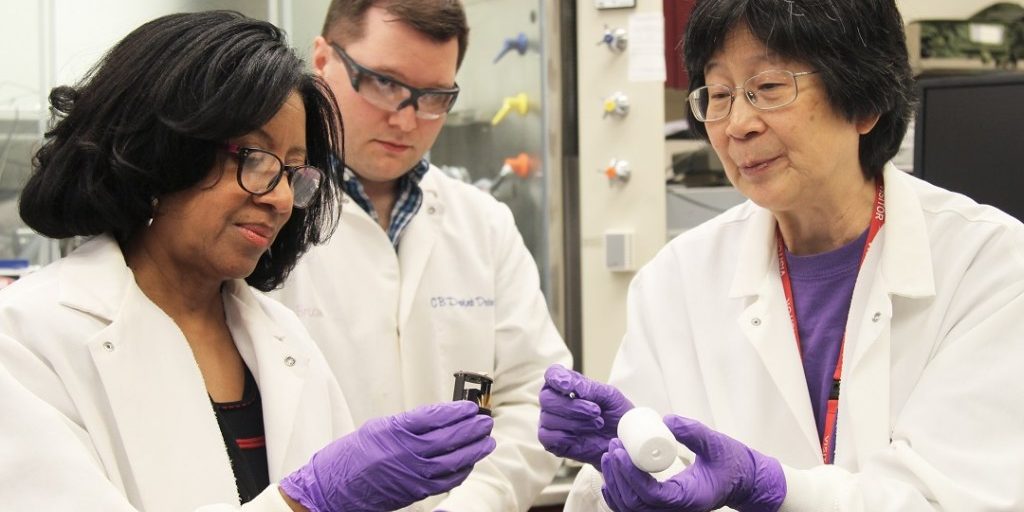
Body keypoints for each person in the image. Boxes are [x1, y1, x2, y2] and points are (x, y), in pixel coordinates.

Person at [0, 11, 496, 511]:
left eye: (294, 171)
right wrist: (303, 502)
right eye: (254, 158)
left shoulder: (283, 340)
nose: (281, 198)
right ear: (159, 150)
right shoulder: (26, 340)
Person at [538, 0, 1024, 510]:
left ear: (863, 102)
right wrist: (612, 463)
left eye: (768, 87)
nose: (738, 124)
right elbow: (631, 487)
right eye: (719, 94)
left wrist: (771, 487)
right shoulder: (675, 281)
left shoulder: (988, 268)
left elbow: (951, 495)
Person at [272, 1, 573, 510]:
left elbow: (531, 399)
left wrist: (475, 502)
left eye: (433, 96)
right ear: (321, 61)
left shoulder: (484, 224)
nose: (406, 118)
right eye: (383, 82)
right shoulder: (269, 215)